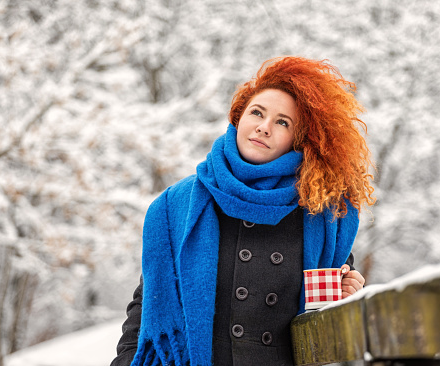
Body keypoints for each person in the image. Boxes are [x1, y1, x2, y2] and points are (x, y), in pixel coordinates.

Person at [111, 56, 375, 366]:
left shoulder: (322, 212)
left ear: (299, 139)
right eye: (257, 113)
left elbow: (328, 319)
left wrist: (349, 291)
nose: (264, 128)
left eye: (282, 122)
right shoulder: (177, 205)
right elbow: (147, 305)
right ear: (239, 118)